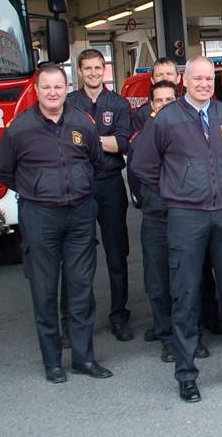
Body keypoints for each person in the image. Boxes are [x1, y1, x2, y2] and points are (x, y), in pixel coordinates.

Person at [130, 56, 222, 402]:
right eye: (197, 78)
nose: (203, 84)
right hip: (186, 216)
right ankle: (187, 374)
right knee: (184, 295)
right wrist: (176, 189)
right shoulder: (165, 118)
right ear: (184, 80)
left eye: (208, 79)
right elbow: (142, 164)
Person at [0, 63, 111, 384]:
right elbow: (1, 171)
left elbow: (96, 162)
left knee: (82, 289)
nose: (53, 93)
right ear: (37, 91)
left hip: (80, 214)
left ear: (66, 87)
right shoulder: (19, 128)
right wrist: (35, 188)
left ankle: (84, 359)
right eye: (46, 87)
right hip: (40, 216)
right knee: (44, 290)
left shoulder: (81, 123)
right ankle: (53, 363)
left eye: (58, 86)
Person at [66, 48, 134, 342]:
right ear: (79, 72)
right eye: (88, 68)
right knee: (76, 256)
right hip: (79, 188)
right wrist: (100, 142)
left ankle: (119, 316)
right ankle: (73, 321)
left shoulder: (117, 103)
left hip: (109, 185)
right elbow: (66, 142)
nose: (93, 73)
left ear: (104, 70)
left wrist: (86, 140)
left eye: (98, 68)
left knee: (117, 254)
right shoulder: (70, 103)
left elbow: (121, 143)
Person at [128, 80, 180, 364]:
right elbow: (135, 176)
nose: (163, 105)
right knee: (158, 281)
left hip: (184, 218)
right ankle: (166, 337)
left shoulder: (189, 133)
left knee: (187, 279)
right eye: (158, 101)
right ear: (150, 105)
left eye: (169, 100)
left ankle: (190, 334)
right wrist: (154, 198)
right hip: (155, 218)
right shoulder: (141, 138)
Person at [132, 57, 180, 132]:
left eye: (169, 74)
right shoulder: (142, 114)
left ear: (178, 78)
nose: (165, 78)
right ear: (152, 80)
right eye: (159, 75)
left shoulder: (190, 108)